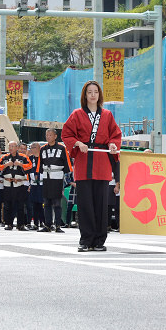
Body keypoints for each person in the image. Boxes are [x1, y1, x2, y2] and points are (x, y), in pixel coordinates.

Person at [61, 80, 122, 252]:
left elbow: (115, 134)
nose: (93, 95)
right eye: (89, 92)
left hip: (102, 162)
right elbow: (66, 134)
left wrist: (112, 144)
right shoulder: (77, 114)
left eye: (96, 91)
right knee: (85, 203)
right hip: (83, 160)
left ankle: (99, 240)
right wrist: (78, 143)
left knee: (101, 204)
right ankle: (86, 240)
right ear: (85, 95)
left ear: (99, 95)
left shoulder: (108, 115)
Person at [39, 129, 70, 233]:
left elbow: (67, 163)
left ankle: (58, 225)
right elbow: (40, 163)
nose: (48, 137)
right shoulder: (43, 149)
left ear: (55, 136)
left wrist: (67, 174)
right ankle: (47, 225)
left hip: (57, 177)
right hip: (46, 177)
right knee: (46, 202)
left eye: (50, 135)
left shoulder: (62, 148)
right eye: (47, 135)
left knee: (57, 202)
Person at [0, 141, 32, 231]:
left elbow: (30, 166)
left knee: (20, 205)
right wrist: (6, 165)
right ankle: (8, 223)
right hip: (7, 183)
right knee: (7, 205)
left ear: (17, 147)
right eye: (10, 146)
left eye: (13, 146)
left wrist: (20, 164)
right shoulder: (4, 157)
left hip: (19, 183)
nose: (11, 148)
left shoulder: (23, 157)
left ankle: (20, 225)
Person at [27, 141, 46, 231]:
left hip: (43, 184)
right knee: (34, 204)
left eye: (33, 147)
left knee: (42, 204)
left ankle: (44, 222)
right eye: (31, 148)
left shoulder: (44, 158)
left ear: (38, 148)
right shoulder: (30, 159)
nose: (31, 149)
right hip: (34, 184)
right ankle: (35, 223)